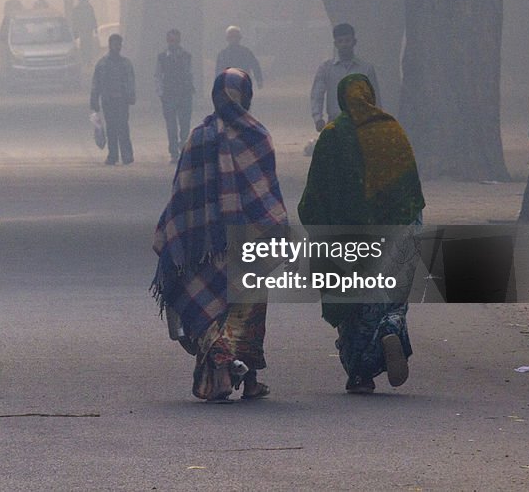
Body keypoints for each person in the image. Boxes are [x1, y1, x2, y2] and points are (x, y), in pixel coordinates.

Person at [152, 68, 288, 402]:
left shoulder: (199, 136)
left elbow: (182, 191)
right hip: (251, 240)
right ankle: (249, 377)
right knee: (247, 310)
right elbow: (267, 192)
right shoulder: (258, 136)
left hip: (205, 242)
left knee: (212, 306)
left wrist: (177, 233)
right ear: (247, 95)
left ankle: (221, 371)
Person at [298, 73, 424, 394]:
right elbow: (410, 188)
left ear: (340, 99)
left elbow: (314, 197)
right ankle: (390, 329)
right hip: (397, 233)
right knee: (391, 300)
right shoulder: (391, 129)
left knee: (353, 307)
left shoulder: (332, 136)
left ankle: (360, 375)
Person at [310, 23, 381, 132]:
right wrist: (318, 118)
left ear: (354, 42)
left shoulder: (366, 69)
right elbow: (317, 95)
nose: (344, 44)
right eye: (340, 41)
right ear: (336, 44)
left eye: (347, 40)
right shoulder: (326, 69)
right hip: (335, 124)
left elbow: (374, 98)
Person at [90, 33, 135, 165]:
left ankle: (127, 155)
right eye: (115, 44)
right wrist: (94, 100)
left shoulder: (126, 64)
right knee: (111, 128)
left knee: (123, 127)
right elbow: (96, 83)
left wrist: (131, 96)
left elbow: (131, 81)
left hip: (122, 101)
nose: (117, 46)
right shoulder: (102, 64)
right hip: (108, 101)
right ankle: (113, 155)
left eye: (119, 44)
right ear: (110, 45)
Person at [155, 29, 194, 162]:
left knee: (185, 124)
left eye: (176, 40)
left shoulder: (186, 56)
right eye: (172, 40)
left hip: (184, 94)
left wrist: (190, 88)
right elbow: (158, 75)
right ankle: (173, 152)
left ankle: (183, 148)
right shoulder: (162, 57)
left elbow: (190, 73)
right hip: (169, 94)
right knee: (171, 125)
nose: (174, 43)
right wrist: (160, 92)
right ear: (168, 41)